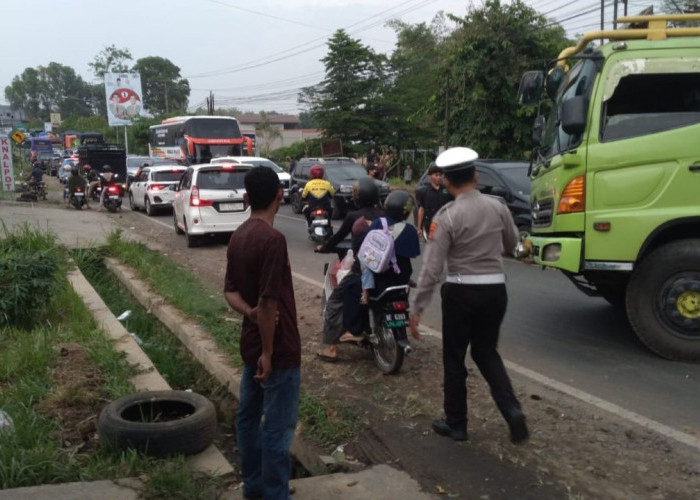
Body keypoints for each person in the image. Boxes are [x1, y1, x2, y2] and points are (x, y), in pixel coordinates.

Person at [409, 147, 529, 444]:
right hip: (496, 290)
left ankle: (457, 423)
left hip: (461, 292)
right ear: (476, 175)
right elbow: (511, 243)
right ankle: (511, 409)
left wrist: (417, 308)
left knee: (454, 357)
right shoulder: (498, 207)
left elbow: (432, 269)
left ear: (447, 181)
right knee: (486, 351)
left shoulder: (446, 216)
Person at [223, 166, 300, 500]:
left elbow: (230, 293)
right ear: (280, 196)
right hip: (277, 351)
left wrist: (249, 314)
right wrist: (269, 353)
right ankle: (274, 494)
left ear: (246, 197)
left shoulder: (238, 235)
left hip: (249, 345)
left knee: (248, 418)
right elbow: (269, 304)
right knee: (277, 429)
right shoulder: (273, 240)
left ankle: (253, 487)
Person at [314, 178, 384, 361]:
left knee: (334, 302)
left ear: (357, 197)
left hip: (361, 268)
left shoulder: (354, 216)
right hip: (384, 268)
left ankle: (331, 349)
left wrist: (324, 247)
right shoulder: (383, 214)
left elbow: (338, 237)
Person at [359, 190, 420, 306]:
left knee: (364, 266)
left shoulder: (377, 223)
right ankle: (409, 281)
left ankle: (365, 292)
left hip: (379, 275)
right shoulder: (411, 230)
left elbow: (365, 244)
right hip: (401, 277)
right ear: (406, 211)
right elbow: (413, 253)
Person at [416, 164, 453, 241]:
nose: (438, 177)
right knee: (432, 246)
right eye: (436, 175)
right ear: (430, 176)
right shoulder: (424, 191)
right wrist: (419, 227)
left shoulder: (446, 190)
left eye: (440, 175)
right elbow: (421, 209)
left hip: (444, 224)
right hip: (430, 224)